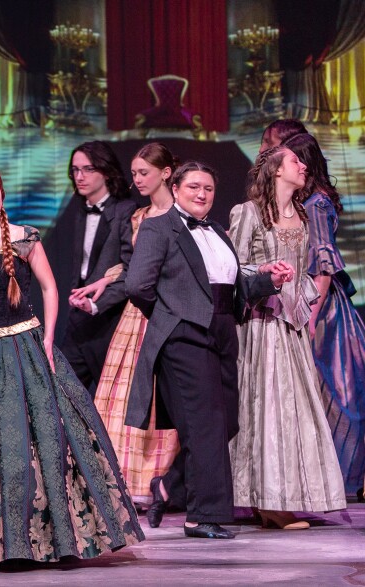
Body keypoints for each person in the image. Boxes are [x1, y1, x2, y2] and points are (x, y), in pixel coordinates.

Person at [0, 164, 143, 563]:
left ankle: (53, 536)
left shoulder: (24, 239)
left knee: (43, 437)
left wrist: (49, 337)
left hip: (27, 343)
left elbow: (49, 288)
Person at [126, 161, 285, 539]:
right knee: (204, 425)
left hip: (222, 330)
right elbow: (137, 286)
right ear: (176, 187)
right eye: (194, 187)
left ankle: (170, 486)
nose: (202, 194)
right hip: (184, 336)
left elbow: (231, 288)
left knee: (226, 422)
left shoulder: (216, 231)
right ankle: (201, 516)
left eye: (209, 188)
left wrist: (268, 282)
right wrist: (173, 315)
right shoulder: (158, 228)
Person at [228, 146, 347, 529]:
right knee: (266, 408)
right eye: (295, 161)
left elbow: (310, 274)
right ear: (277, 171)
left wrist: (305, 302)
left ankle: (287, 495)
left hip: (291, 326)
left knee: (295, 410)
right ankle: (268, 501)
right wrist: (265, 271)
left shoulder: (304, 217)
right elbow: (233, 269)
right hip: (261, 325)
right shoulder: (247, 213)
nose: (303, 166)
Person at [90, 143, 180, 503]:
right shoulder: (138, 217)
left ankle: (165, 481)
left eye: (144, 172)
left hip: (168, 310)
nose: (137, 179)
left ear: (166, 172)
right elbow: (130, 267)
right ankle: (123, 483)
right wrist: (101, 283)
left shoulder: (182, 214)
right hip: (137, 314)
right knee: (124, 394)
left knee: (164, 398)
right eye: (135, 173)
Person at [284, 132, 365, 497]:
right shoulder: (304, 201)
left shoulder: (315, 204)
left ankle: (340, 479)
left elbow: (324, 265)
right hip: (309, 300)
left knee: (334, 391)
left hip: (322, 306)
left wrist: (311, 316)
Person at [57, 141, 137, 396]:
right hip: (79, 318)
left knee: (109, 401)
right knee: (62, 395)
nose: (79, 177)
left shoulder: (126, 211)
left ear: (105, 170)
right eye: (75, 170)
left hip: (108, 320)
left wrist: (96, 303)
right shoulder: (81, 210)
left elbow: (129, 268)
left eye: (87, 169)